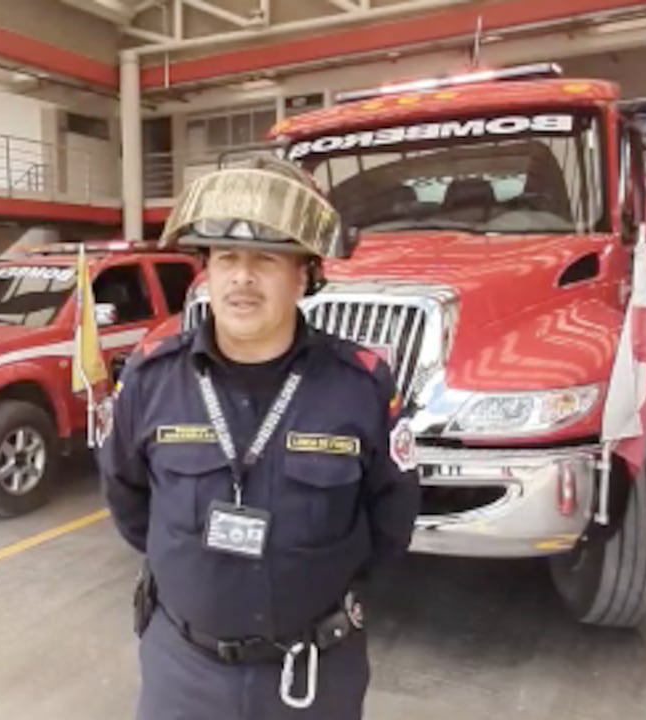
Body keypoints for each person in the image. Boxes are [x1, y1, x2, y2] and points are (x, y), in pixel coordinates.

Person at [97, 154, 421, 720]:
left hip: (314, 673)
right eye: (226, 258)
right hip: (182, 672)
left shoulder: (361, 387)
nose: (242, 277)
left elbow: (390, 524)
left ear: (305, 275)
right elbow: (129, 502)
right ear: (208, 272)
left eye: (266, 259)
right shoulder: (151, 378)